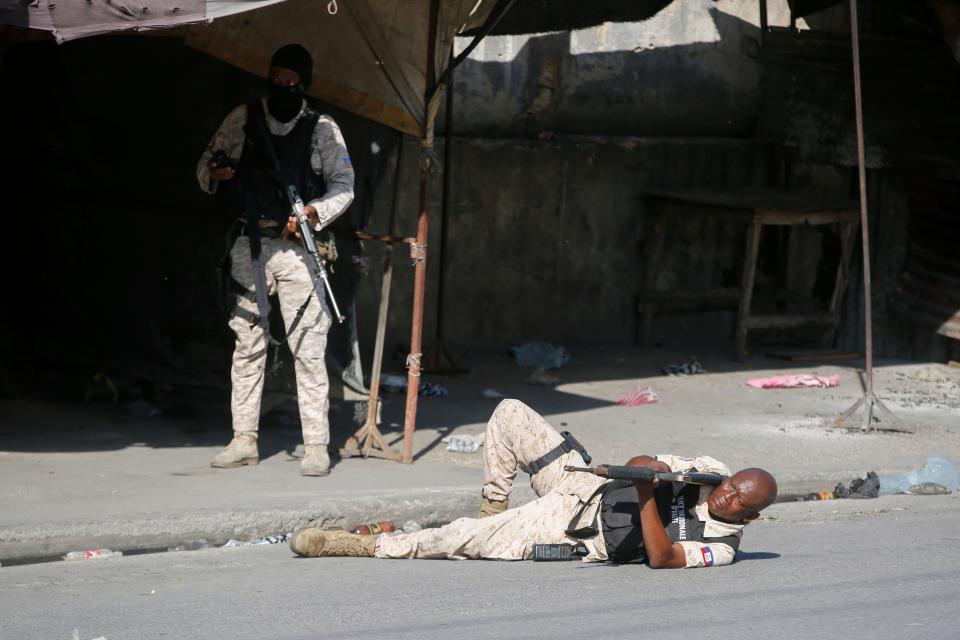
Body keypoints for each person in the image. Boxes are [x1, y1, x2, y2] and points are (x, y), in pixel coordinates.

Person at [289, 399, 778, 566]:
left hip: (571, 530)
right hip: (584, 484)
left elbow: (662, 557)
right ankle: (494, 514)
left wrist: (649, 491)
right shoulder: (710, 469)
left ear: (750, 518)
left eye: (737, 500)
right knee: (509, 414)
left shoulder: (721, 546)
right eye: (732, 484)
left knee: (457, 540)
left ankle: (354, 546)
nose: (726, 494)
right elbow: (640, 460)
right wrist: (654, 471)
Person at [196, 44, 355, 476]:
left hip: (298, 250)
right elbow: (205, 167)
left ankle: (316, 445)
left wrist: (313, 213)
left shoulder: (322, 128)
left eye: (292, 82)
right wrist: (217, 171)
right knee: (247, 346)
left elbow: (344, 184)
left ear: (304, 84)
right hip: (251, 245)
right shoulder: (243, 118)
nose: (283, 87)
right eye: (277, 79)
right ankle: (243, 439)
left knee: (308, 345)